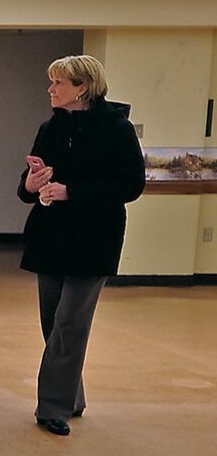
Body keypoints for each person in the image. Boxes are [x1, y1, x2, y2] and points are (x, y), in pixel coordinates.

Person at [17, 54, 145, 436]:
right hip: (50, 237)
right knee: (52, 323)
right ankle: (71, 397)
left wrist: (72, 191)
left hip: (93, 240)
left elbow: (130, 185)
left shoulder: (116, 130)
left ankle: (51, 407)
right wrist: (33, 182)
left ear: (82, 88)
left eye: (58, 83)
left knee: (70, 323)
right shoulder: (50, 128)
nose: (50, 89)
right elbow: (28, 184)